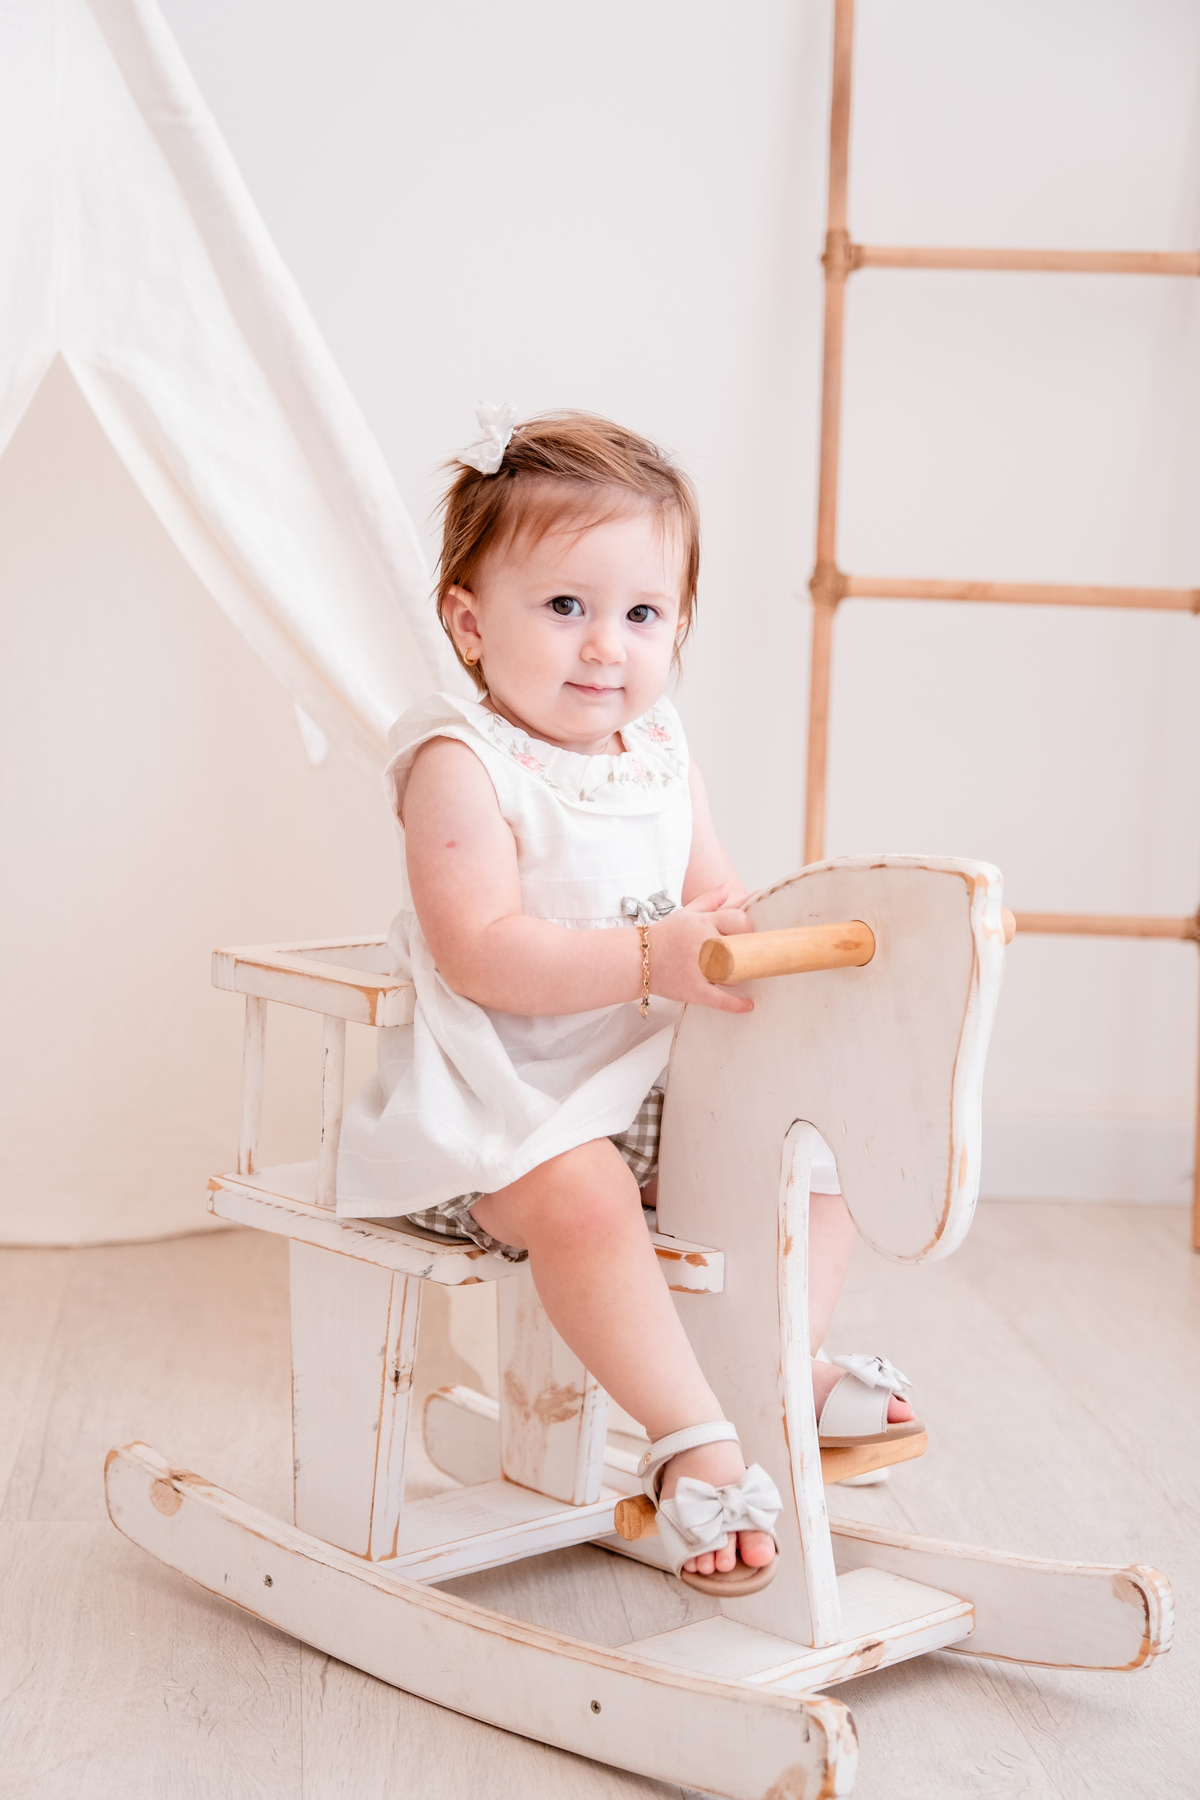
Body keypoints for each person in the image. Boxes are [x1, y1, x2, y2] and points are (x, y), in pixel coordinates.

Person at [338, 407, 917, 1594]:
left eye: (643, 614)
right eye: (566, 606)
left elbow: (718, 902)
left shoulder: (656, 748)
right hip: (501, 1107)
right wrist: (657, 956)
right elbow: (481, 953)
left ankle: (779, 1368)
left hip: (643, 1088)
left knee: (815, 1154)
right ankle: (691, 1438)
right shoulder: (460, 763)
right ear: (469, 622)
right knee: (589, 1193)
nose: (607, 647)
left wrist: (761, 950)